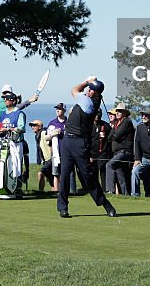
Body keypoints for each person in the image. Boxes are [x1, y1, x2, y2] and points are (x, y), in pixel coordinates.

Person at [56, 76, 117, 219]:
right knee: (64, 175)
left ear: (93, 93)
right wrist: (89, 83)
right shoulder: (89, 99)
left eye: (90, 89)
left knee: (88, 176)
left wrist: (86, 81)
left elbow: (74, 90)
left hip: (79, 143)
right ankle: (63, 208)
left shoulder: (89, 103)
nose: (87, 91)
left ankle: (105, 204)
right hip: (67, 141)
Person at [132, 109, 150, 198]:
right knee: (135, 172)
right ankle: (135, 195)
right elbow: (136, 142)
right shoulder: (139, 127)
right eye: (142, 115)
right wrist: (137, 158)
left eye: (146, 115)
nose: (143, 117)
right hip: (143, 159)